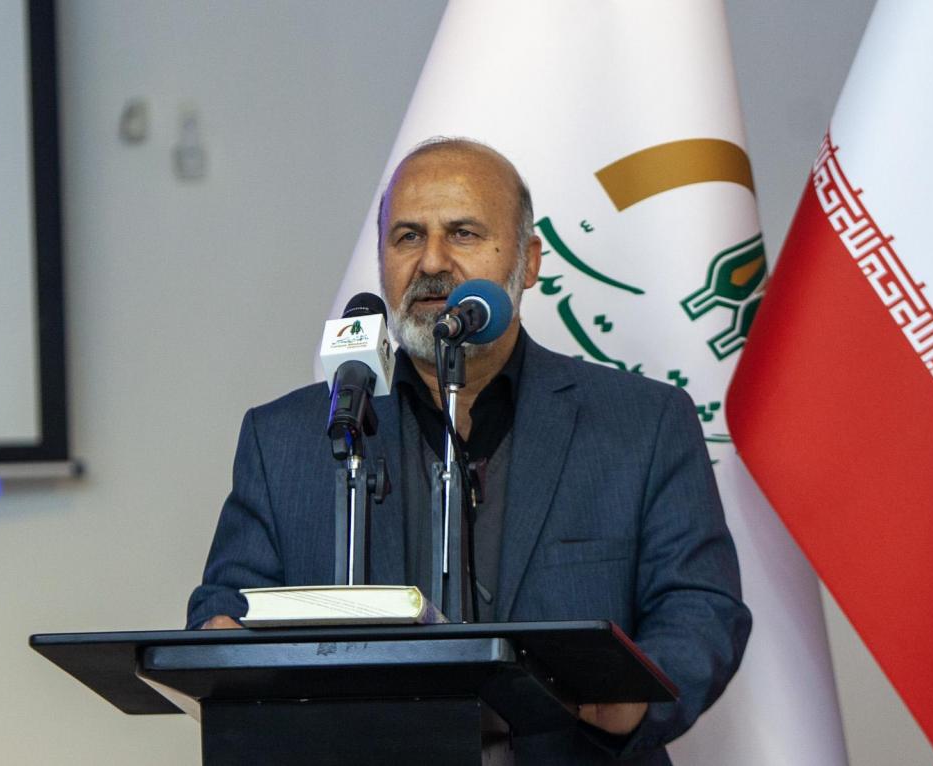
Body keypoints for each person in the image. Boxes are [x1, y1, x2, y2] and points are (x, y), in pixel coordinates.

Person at [188, 138, 751, 764]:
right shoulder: (286, 438)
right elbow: (226, 603)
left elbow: (700, 604)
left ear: (529, 262)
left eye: (462, 234)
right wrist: (220, 638)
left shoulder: (641, 424)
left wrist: (634, 700)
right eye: (407, 236)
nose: (431, 261)